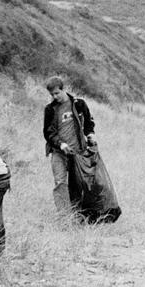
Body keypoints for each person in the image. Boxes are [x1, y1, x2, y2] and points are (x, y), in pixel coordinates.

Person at [42, 77, 96, 214]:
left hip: (78, 153)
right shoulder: (50, 109)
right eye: (52, 94)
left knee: (79, 184)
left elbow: (89, 122)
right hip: (58, 153)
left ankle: (80, 214)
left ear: (64, 89)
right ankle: (64, 216)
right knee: (60, 183)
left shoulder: (79, 104)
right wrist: (61, 145)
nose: (55, 97)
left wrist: (90, 134)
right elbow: (48, 133)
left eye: (57, 93)